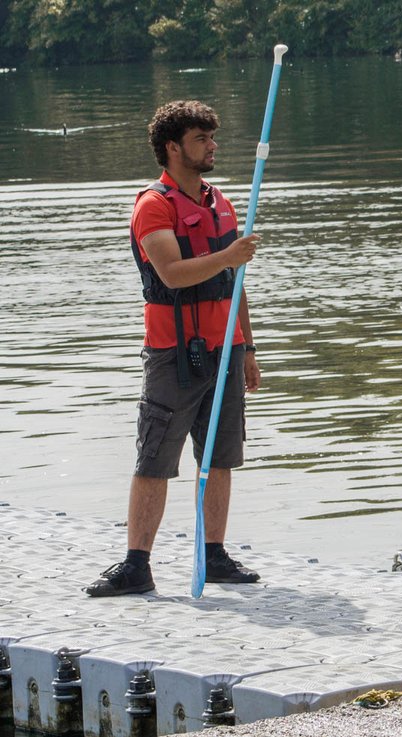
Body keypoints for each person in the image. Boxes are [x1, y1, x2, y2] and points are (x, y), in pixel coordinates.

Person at [85, 100, 262, 597]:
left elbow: (235, 281)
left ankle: (216, 554)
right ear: (172, 147)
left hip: (224, 351)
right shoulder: (153, 206)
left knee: (221, 456)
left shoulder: (218, 201)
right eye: (202, 139)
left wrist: (247, 346)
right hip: (172, 354)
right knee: (155, 458)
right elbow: (172, 273)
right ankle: (136, 564)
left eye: (212, 137)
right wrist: (228, 254)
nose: (212, 146)